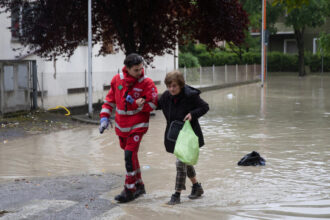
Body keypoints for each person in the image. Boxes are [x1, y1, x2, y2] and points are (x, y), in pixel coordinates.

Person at [99, 53, 158, 203]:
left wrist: (141, 104)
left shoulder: (147, 83)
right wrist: (104, 118)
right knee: (131, 155)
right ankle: (139, 186)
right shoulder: (117, 80)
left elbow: (153, 105)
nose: (140, 72)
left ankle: (129, 190)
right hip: (121, 126)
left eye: (141, 69)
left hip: (138, 125)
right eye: (136, 70)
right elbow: (110, 101)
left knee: (129, 155)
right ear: (127, 68)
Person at [157, 70, 209, 205]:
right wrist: (143, 102)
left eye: (174, 86)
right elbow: (157, 104)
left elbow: (205, 107)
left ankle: (176, 195)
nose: (171, 89)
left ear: (180, 85)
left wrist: (192, 114)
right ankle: (197, 187)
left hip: (189, 135)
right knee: (186, 162)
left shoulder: (190, 96)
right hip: (174, 136)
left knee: (180, 164)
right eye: (169, 86)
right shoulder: (166, 96)